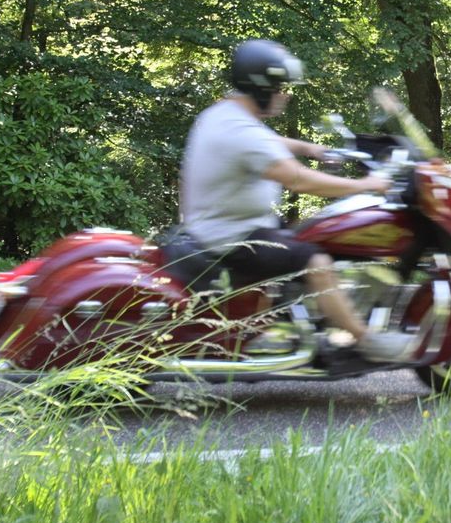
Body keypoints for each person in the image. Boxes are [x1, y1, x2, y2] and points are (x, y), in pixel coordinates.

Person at [178, 39, 416, 362]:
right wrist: (365, 185)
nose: (286, 94)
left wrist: (312, 148)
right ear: (262, 88)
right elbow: (298, 179)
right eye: (281, 87)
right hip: (233, 237)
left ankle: (294, 321)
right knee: (316, 260)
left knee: (310, 232)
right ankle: (366, 341)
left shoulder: (225, 115)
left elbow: (267, 140)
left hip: (226, 225)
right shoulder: (240, 131)